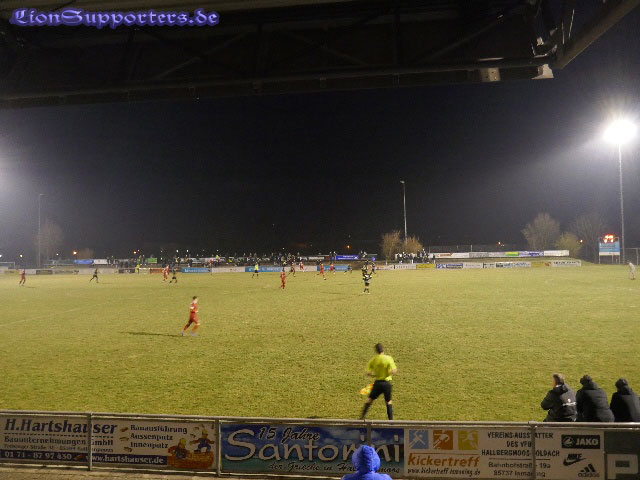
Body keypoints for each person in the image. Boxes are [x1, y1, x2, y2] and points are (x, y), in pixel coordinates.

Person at [360, 343, 397, 420]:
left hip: (378, 383)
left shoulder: (374, 360)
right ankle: (391, 421)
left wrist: (374, 375)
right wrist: (389, 373)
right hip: (387, 383)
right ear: (383, 349)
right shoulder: (389, 358)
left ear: (376, 350)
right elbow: (394, 370)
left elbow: (368, 373)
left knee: (370, 400)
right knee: (388, 401)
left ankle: (361, 417)